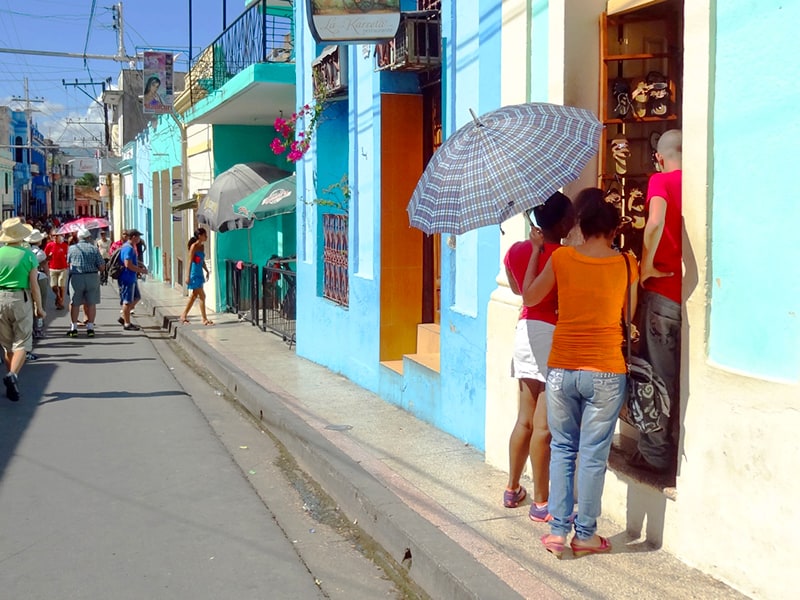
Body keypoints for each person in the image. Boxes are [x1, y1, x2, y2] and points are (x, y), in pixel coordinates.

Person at [523, 188, 638, 559]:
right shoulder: (626, 264)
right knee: (592, 455)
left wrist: (538, 249)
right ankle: (585, 534)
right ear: (613, 230)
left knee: (562, 447)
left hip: (562, 367)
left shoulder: (563, 260)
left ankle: (557, 531)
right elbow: (628, 316)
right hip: (605, 368)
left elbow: (529, 297)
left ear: (581, 227)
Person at [502, 192, 574, 521]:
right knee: (544, 427)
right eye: (570, 217)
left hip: (525, 331)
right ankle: (542, 502)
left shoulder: (517, 250)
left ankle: (512, 487)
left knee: (524, 420)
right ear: (561, 223)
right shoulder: (566, 257)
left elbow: (519, 291)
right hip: (551, 335)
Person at [628, 129, 682, 474]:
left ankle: (656, 453)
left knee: (658, 377)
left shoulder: (660, 182)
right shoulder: (698, 181)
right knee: (678, 377)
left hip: (662, 295)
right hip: (687, 294)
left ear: (660, 157)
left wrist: (647, 264)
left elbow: (656, 222)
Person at [0, 217, 46, 401]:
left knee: (6, 344)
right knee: (22, 342)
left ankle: (13, 380)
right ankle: (13, 376)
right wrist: (40, 308)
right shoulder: (28, 255)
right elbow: (34, 285)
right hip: (21, 297)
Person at [66, 228, 105, 338]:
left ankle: (73, 328)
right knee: (91, 303)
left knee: (75, 303)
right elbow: (102, 266)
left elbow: (68, 262)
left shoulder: (72, 249)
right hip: (92, 277)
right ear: (88, 238)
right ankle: (90, 328)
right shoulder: (94, 249)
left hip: (77, 277)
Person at [179, 228, 213, 326]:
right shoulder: (193, 246)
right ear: (200, 236)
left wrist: (206, 270)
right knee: (202, 296)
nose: (206, 237)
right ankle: (204, 319)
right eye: (205, 235)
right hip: (193, 273)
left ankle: (183, 315)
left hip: (199, 273)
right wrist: (187, 276)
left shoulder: (201, 247)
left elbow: (201, 261)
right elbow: (189, 261)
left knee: (194, 296)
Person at [117, 229, 147, 331]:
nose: (139, 238)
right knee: (127, 301)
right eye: (138, 236)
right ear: (133, 237)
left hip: (131, 277)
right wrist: (141, 270)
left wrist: (140, 264)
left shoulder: (130, 247)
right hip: (127, 278)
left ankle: (123, 318)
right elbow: (127, 264)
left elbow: (132, 261)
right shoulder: (128, 248)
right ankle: (127, 323)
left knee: (137, 297)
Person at [44, 229, 68, 309]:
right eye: (53, 235)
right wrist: (48, 257)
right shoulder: (49, 245)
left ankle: (61, 301)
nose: (55, 237)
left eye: (56, 235)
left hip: (62, 268)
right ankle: (58, 297)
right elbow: (45, 256)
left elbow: (68, 255)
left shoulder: (64, 245)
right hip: (52, 268)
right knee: (53, 286)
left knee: (61, 286)